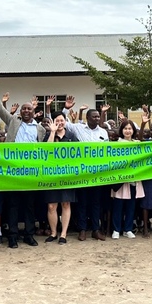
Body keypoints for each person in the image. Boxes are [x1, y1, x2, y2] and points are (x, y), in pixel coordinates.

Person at [0, 73, 46, 248]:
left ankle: (29, 234)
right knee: (12, 205)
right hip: (13, 171)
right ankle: (12, 236)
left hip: (30, 172)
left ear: (34, 112)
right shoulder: (13, 121)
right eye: (24, 109)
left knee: (29, 205)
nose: (27, 111)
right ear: (20, 112)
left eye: (30, 109)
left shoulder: (41, 129)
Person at [61, 94, 110, 241]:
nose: (96, 119)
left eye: (97, 117)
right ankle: (82, 230)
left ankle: (95, 229)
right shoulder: (78, 128)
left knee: (96, 203)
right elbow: (63, 122)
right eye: (94, 117)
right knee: (82, 202)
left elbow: (108, 152)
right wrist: (65, 109)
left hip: (97, 174)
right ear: (87, 118)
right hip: (82, 173)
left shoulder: (103, 132)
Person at [43, 113, 77, 244]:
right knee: (51, 206)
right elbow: (46, 151)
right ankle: (53, 232)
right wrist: (52, 132)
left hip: (67, 175)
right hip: (51, 175)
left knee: (66, 203)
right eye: (57, 121)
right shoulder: (48, 135)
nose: (60, 123)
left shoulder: (71, 136)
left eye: (62, 120)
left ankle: (63, 234)